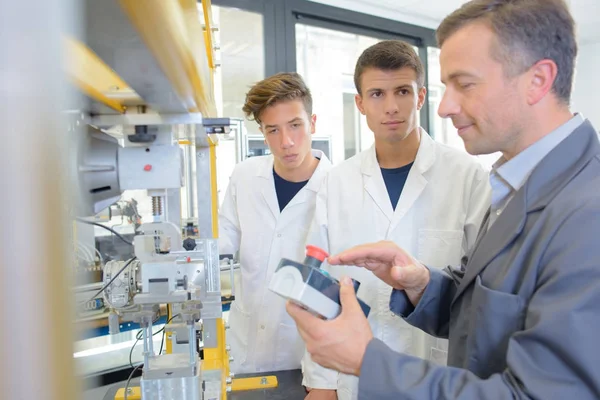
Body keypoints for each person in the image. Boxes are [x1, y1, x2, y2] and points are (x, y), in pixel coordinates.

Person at [288, 0, 600, 398]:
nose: (446, 106)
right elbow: (489, 317)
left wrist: (369, 362)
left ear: (537, 80)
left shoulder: (587, 211)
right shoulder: (517, 185)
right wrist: (423, 286)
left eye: (465, 84)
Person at [302, 40, 489, 400]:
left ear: (420, 97)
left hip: (437, 375)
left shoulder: (467, 177)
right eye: (376, 94)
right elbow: (317, 284)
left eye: (402, 91)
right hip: (354, 376)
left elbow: (481, 290)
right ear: (359, 103)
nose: (391, 106)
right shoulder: (336, 182)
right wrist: (322, 381)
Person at [219, 72, 331, 374]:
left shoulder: (339, 190)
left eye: (295, 125)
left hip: (306, 362)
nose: (287, 142)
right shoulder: (244, 177)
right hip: (244, 353)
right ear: (262, 132)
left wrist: (326, 381)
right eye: (273, 130)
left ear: (313, 123)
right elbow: (220, 243)